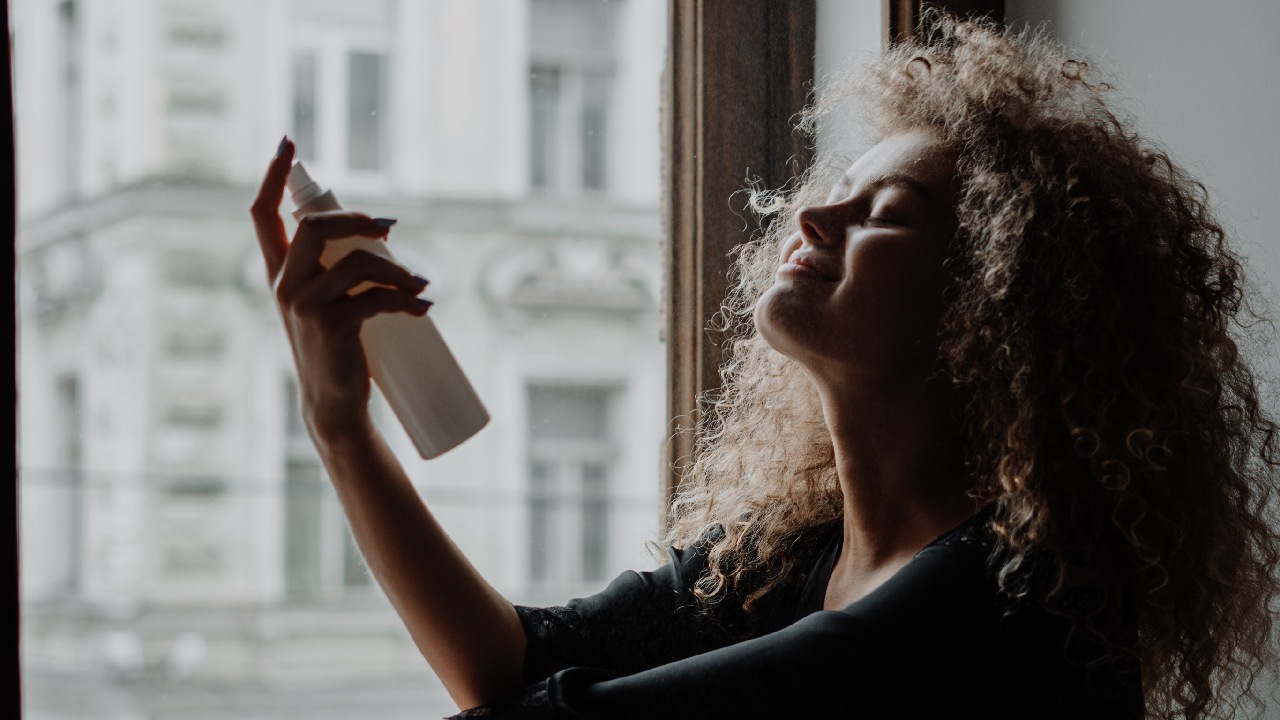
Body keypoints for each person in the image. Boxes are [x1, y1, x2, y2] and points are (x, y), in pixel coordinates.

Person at [250, 17, 1279, 720]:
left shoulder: (1003, 607)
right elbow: (518, 663)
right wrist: (342, 427)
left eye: (884, 216)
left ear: (990, 306)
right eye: (835, 186)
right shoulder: (802, 558)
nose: (814, 213)